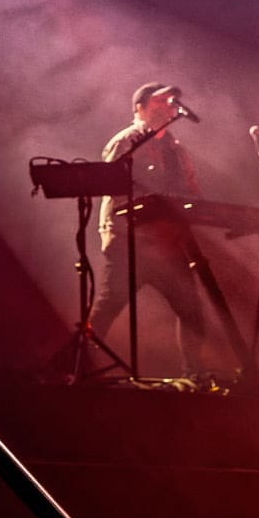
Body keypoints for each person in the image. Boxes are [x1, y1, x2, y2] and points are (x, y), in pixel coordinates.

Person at [77, 81, 212, 376]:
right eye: (160, 102)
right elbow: (111, 185)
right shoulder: (127, 142)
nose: (169, 106)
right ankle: (77, 367)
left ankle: (195, 373)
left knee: (191, 311)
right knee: (108, 307)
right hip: (130, 241)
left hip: (168, 244)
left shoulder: (177, 151)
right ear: (140, 107)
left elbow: (192, 192)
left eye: (172, 101)